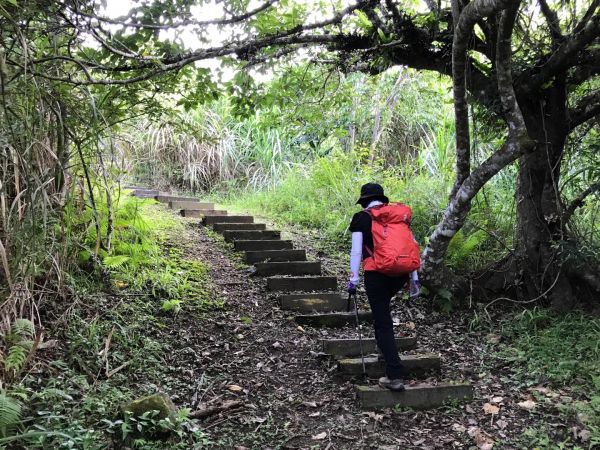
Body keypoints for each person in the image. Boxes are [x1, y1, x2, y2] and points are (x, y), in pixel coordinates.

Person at [347, 183, 416, 391]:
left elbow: (356, 252)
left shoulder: (362, 218)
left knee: (383, 321)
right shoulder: (397, 216)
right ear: (381, 199)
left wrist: (353, 280)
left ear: (364, 201)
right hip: (400, 274)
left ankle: (394, 374)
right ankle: (383, 351)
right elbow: (412, 244)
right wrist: (414, 278)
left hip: (376, 274)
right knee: (381, 314)